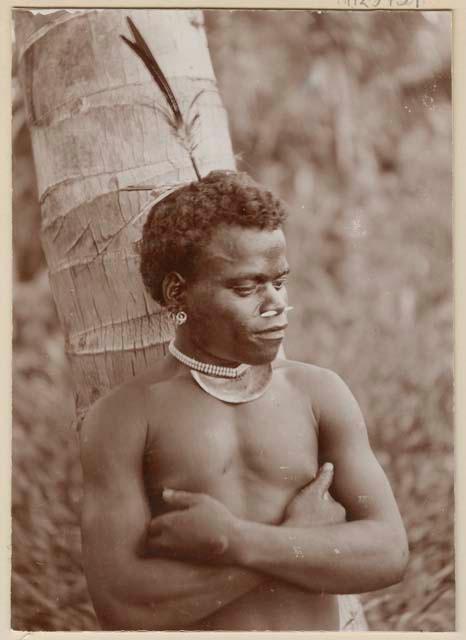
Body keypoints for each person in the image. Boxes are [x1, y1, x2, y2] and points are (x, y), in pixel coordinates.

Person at [79, 170, 408, 631]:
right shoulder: (125, 417)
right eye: (247, 288)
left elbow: (388, 552)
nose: (275, 304)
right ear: (178, 293)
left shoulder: (318, 394)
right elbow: (123, 604)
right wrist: (293, 541)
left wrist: (237, 541)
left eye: (280, 282)